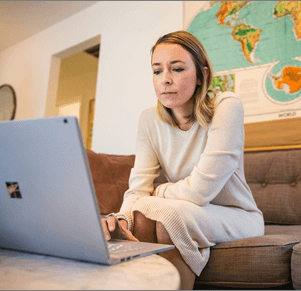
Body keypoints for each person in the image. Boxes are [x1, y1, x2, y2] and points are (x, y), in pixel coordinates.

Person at [102, 30, 264, 290]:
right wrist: (122, 219)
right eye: (157, 71)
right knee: (143, 214)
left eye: (176, 69)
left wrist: (161, 190)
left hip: (238, 215)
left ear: (202, 76)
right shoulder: (148, 120)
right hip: (185, 208)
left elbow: (201, 191)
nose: (165, 80)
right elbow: (139, 186)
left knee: (165, 214)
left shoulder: (227, 105)